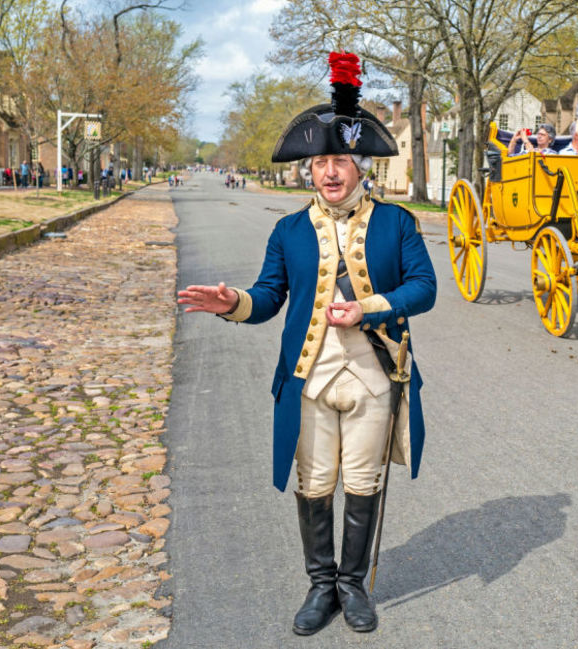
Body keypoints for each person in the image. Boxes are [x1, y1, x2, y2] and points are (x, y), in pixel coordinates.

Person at [176, 52, 435, 636]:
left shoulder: (398, 224)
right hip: (310, 379)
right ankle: (321, 585)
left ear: (360, 166)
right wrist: (235, 303)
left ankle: (353, 584)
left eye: (341, 160)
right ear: (308, 170)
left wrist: (369, 307)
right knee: (315, 484)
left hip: (374, 376)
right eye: (321, 162)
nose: (330, 172)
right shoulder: (287, 230)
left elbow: (424, 288)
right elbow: (269, 296)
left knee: (363, 482)